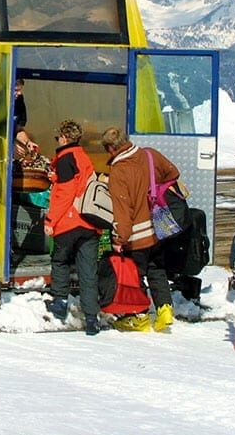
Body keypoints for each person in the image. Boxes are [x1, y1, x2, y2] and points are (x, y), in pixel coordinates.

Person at [99, 126, 177, 333]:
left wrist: (119, 239)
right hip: (159, 226)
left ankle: (139, 316)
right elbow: (173, 172)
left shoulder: (118, 171)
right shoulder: (150, 155)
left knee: (136, 274)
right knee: (157, 269)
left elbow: (123, 211)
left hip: (138, 234)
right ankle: (165, 310)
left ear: (111, 149)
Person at [43, 120, 100, 335]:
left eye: (58, 138)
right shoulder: (82, 157)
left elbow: (65, 193)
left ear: (64, 138)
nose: (57, 141)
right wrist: (56, 177)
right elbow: (79, 183)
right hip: (89, 223)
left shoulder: (66, 158)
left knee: (60, 261)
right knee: (88, 271)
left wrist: (51, 220)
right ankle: (92, 317)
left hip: (69, 221)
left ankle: (60, 303)